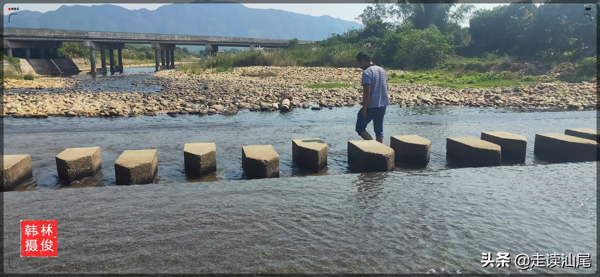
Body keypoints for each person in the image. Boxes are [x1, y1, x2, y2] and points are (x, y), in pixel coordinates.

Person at [355, 52, 390, 143]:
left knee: (360, 128)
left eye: (359, 63)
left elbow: (367, 91)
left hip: (371, 106)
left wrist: (365, 108)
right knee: (379, 131)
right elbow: (386, 87)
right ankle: (380, 151)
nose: (359, 66)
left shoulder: (367, 72)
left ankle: (373, 145)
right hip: (382, 105)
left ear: (363, 60)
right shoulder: (382, 70)